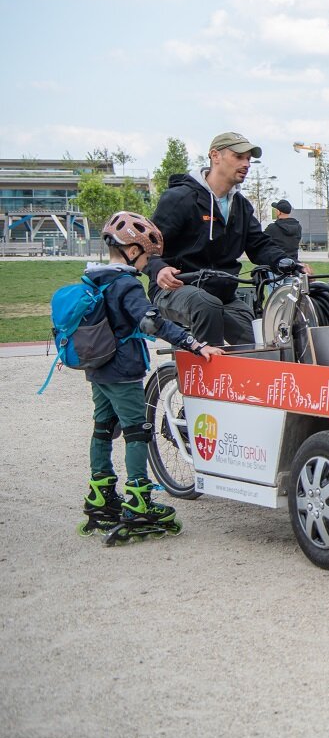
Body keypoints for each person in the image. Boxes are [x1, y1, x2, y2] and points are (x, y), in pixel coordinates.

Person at [79, 212, 225, 538]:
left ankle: (100, 495)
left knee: (102, 429)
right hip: (122, 371)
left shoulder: (95, 277)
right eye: (147, 256)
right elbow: (152, 322)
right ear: (132, 251)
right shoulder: (126, 284)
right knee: (136, 433)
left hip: (98, 369)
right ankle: (139, 503)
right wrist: (192, 343)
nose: (148, 264)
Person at [145, 132, 302, 345]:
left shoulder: (241, 206)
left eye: (248, 158)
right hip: (174, 289)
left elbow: (258, 245)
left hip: (223, 296)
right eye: (239, 157)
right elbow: (148, 244)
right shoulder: (180, 198)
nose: (246, 163)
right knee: (205, 306)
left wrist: (286, 262)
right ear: (215, 155)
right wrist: (159, 268)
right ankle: (207, 373)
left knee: (264, 342)